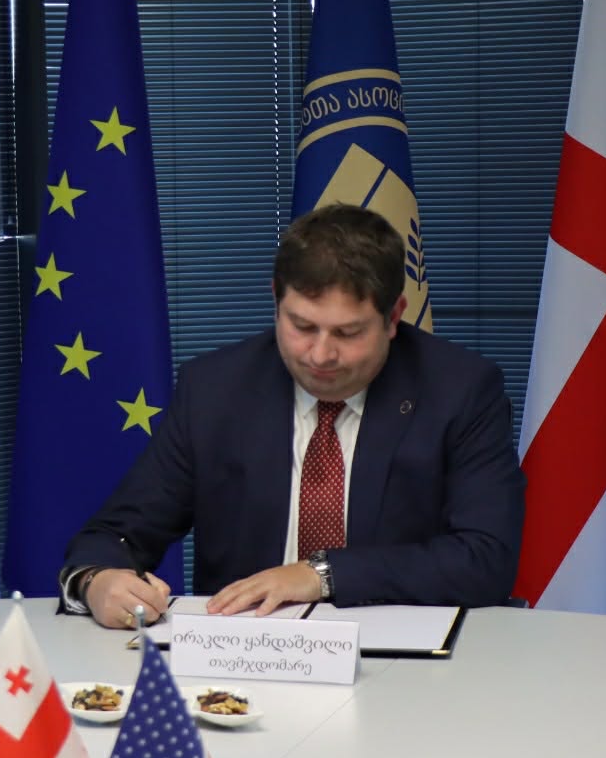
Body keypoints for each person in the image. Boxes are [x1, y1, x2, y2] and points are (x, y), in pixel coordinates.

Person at [60, 204, 525, 627]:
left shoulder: (459, 391)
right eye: (302, 326)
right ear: (276, 300)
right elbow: (117, 533)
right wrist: (96, 580)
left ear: (393, 317)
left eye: (348, 333)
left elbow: (485, 559)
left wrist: (322, 575)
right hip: (245, 654)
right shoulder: (215, 390)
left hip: (403, 656)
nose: (321, 354)